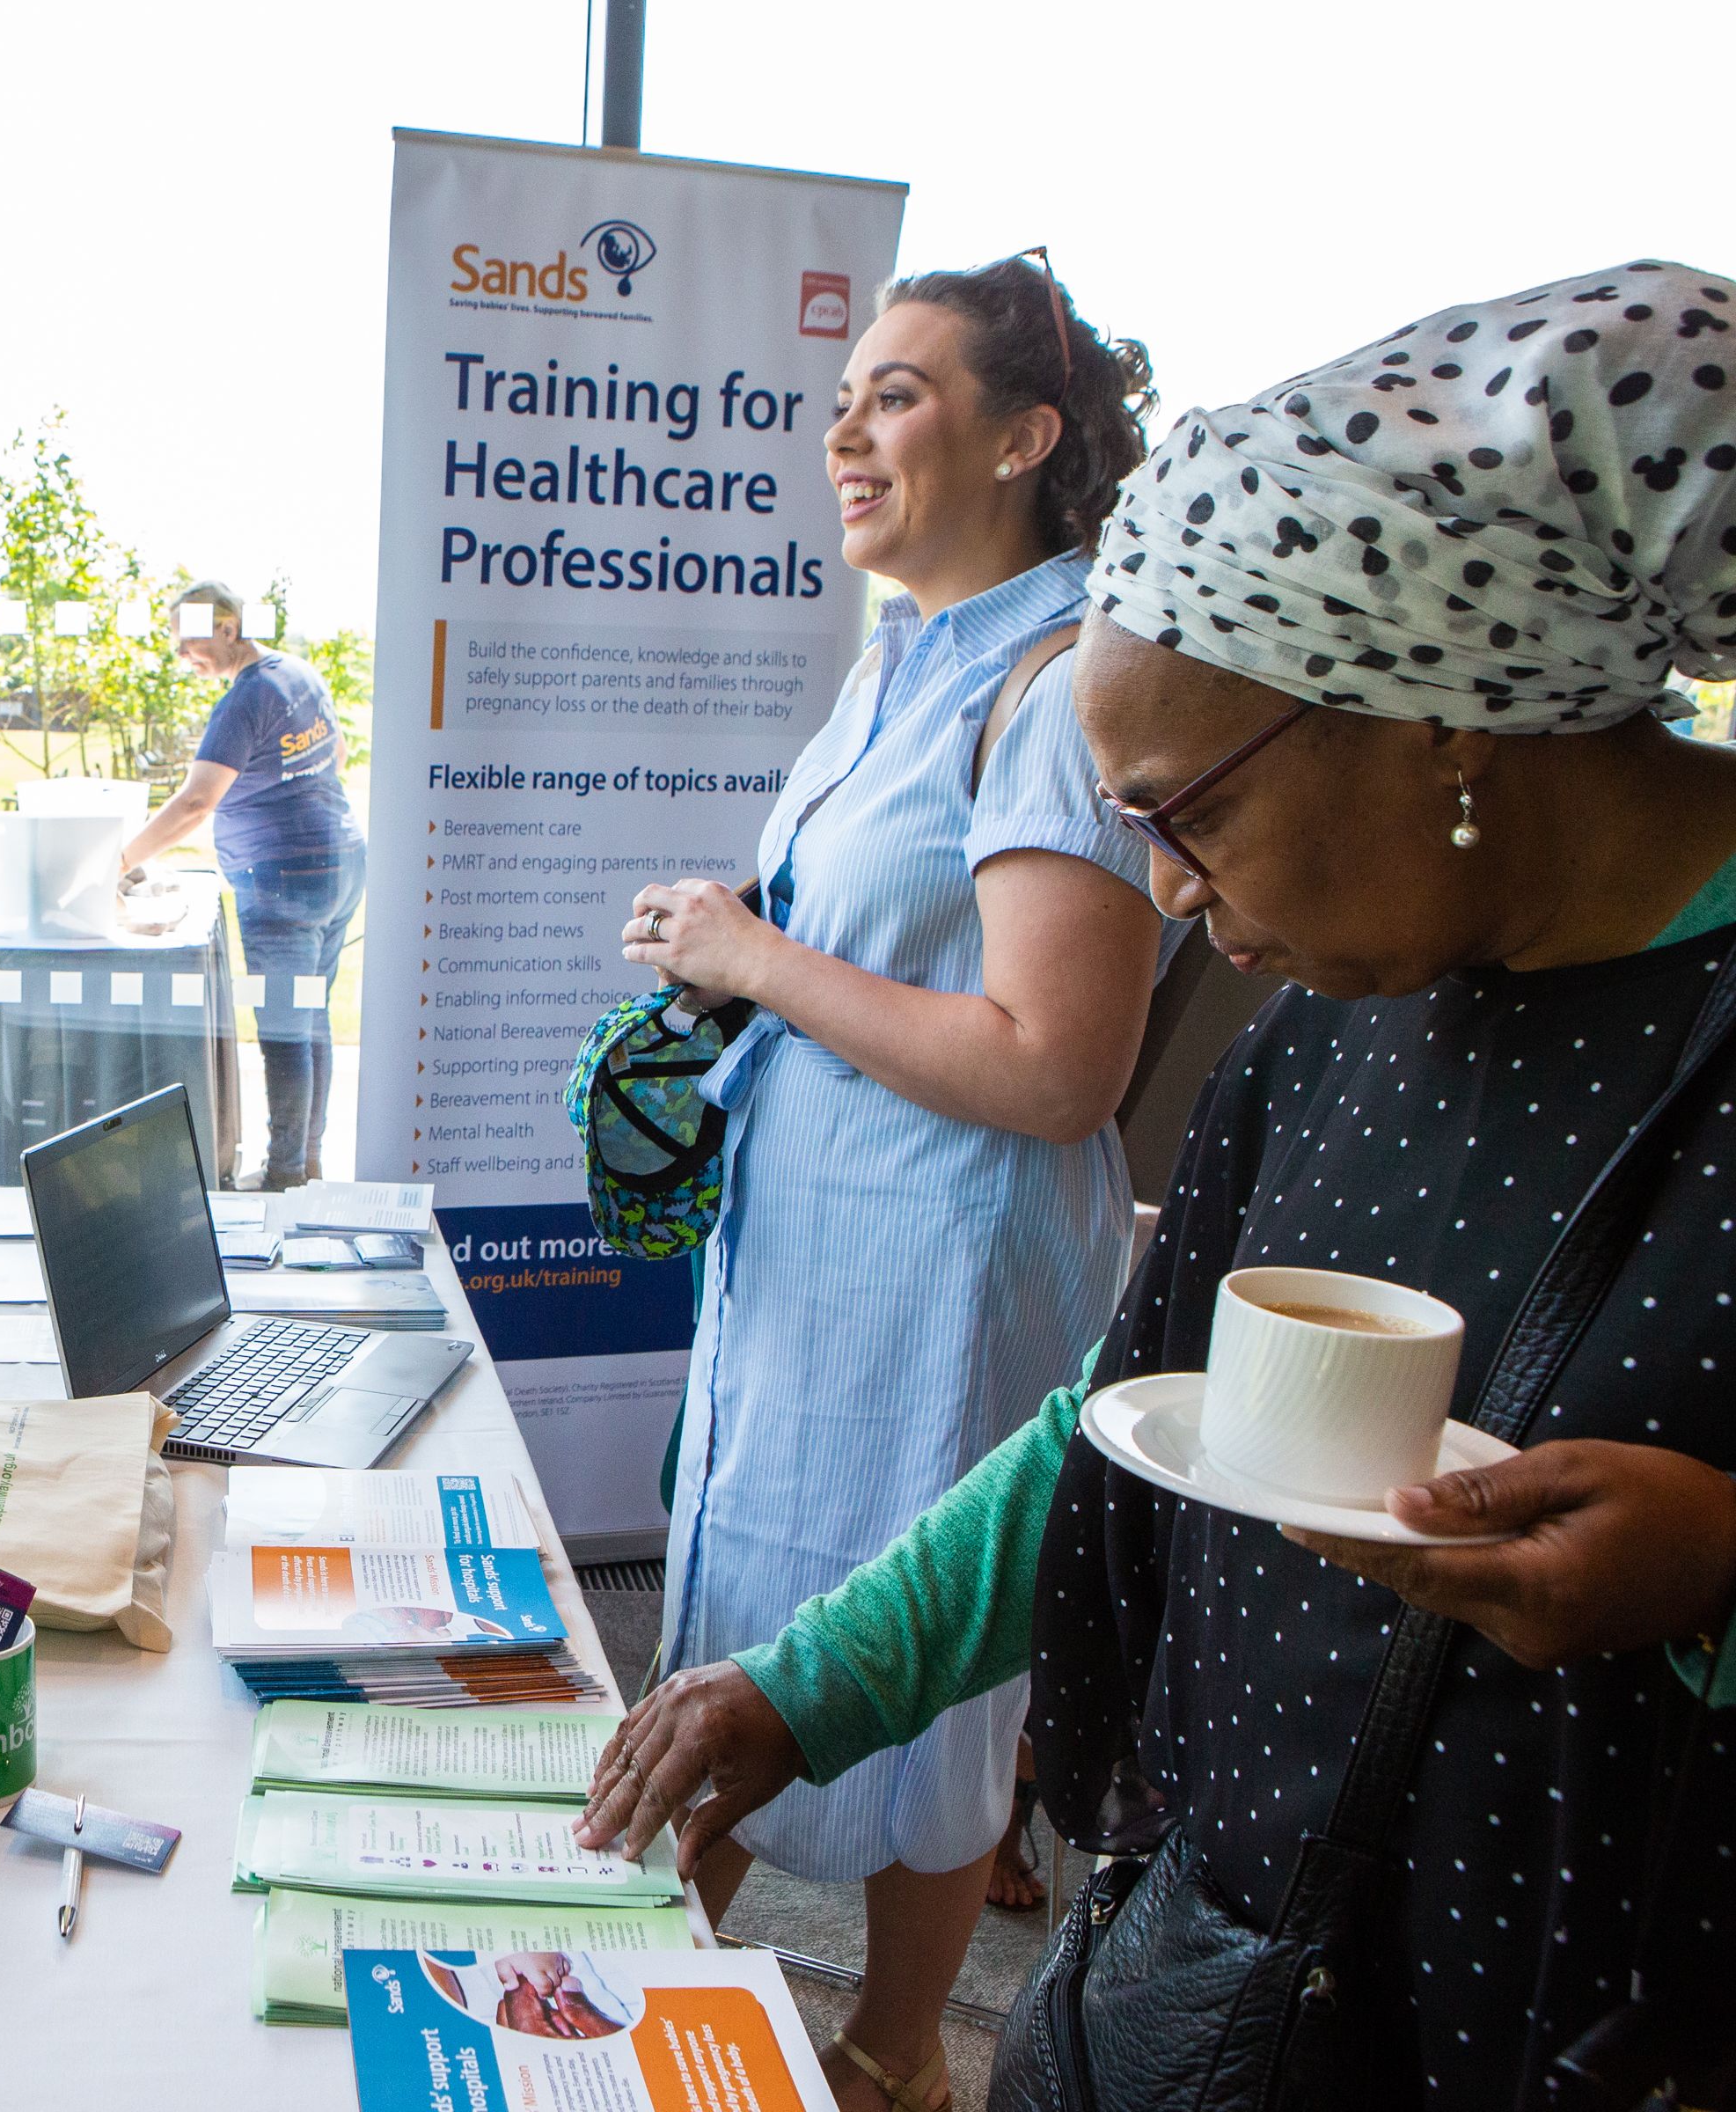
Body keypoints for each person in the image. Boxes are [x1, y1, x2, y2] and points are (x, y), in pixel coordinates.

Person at [578, 264, 1736, 2108]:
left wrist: (1716, 1575)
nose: (1171, 895)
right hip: (1229, 1993)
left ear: (1428, 716)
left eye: (1181, 811)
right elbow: (1127, 1431)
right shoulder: (1336, 1026)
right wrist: (804, 1689)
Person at [608, 257, 1165, 2112]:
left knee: (913, 1650)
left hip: (946, 1274)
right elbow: (891, 958)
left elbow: (1054, 1061)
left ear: (1027, 438)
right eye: (847, 396)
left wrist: (763, 966)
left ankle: (896, 2050)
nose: (846, 431)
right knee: (749, 1611)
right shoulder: (901, 663)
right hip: (820, 1253)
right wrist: (742, 950)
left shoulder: (1058, 676)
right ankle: (634, 1968)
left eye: (900, 395)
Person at [121, 583, 366, 1187]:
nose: (184, 657)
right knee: (311, 1021)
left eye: (190, 643)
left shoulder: (245, 698)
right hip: (339, 862)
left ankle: (285, 1173)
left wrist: (118, 861)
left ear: (228, 629)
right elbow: (337, 754)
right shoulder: (299, 673)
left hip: (284, 881)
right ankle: (306, 1161)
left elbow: (196, 802)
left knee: (285, 1034)